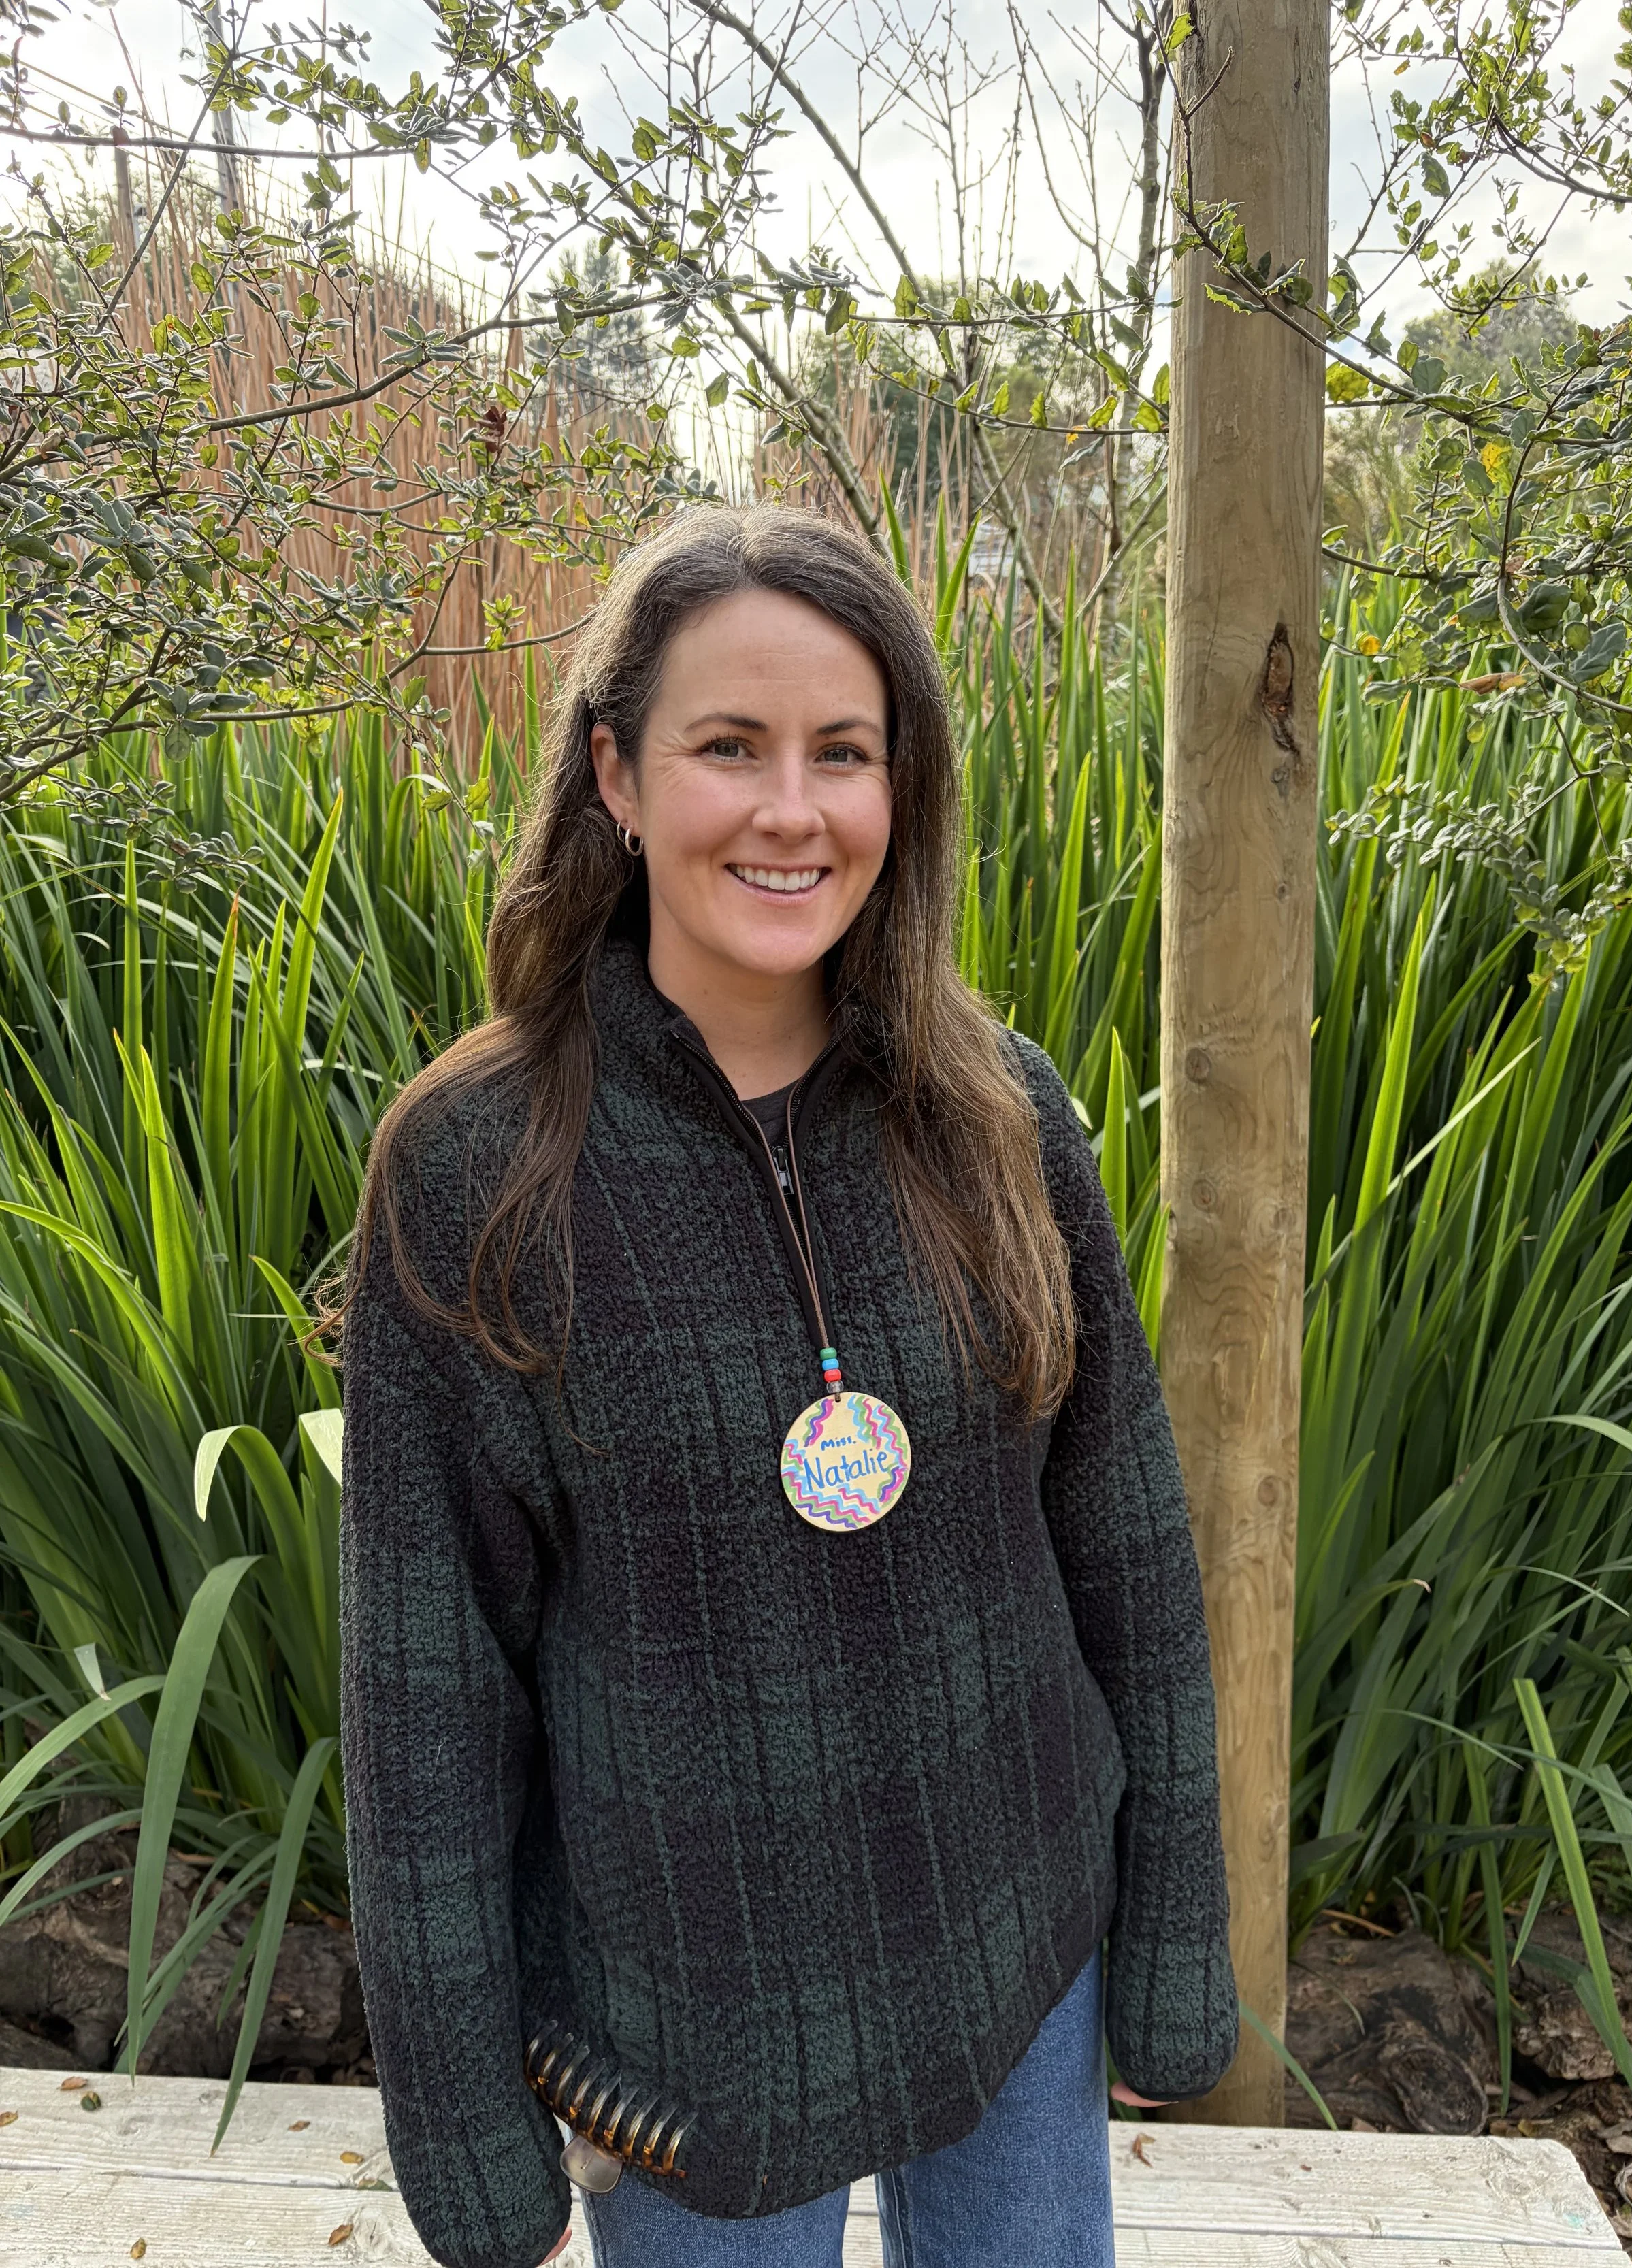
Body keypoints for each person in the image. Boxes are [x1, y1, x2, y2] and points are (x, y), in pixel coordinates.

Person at [327, 504, 1237, 2268]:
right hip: (691, 2020)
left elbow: (1127, 1548)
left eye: (843, 751)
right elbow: (423, 1698)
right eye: (725, 747)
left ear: (906, 784)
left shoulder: (1001, 1114)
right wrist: (454, 2104)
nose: (790, 809)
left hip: (1012, 1947)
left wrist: (1176, 1934)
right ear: (613, 771)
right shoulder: (476, 1170)